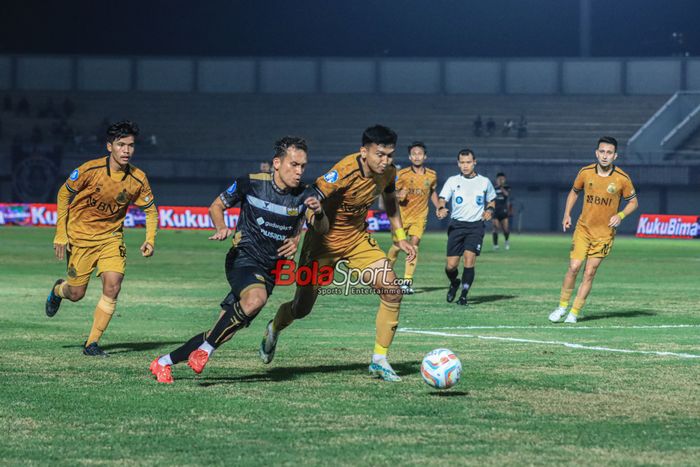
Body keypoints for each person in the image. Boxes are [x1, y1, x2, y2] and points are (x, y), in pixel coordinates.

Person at [149, 137, 327, 384]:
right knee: (256, 300)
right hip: (242, 258)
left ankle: (163, 362)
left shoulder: (306, 195)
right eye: (294, 164)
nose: (299, 171)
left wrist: (317, 214)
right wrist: (221, 227)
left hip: (270, 270)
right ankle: (206, 351)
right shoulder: (250, 183)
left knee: (223, 329)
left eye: (303, 166)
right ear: (277, 163)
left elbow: (320, 227)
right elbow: (216, 206)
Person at [260, 125, 416, 382]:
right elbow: (310, 198)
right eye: (380, 154)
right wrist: (297, 234)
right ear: (363, 152)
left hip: (356, 240)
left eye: (390, 155)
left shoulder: (388, 172)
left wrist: (399, 237)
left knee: (392, 290)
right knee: (301, 309)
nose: (385, 160)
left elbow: (390, 200)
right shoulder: (344, 170)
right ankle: (274, 327)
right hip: (322, 243)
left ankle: (379, 360)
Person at [45, 121, 158, 356]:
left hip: (111, 239)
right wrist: (61, 232)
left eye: (131, 145)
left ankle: (92, 344)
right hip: (80, 238)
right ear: (109, 147)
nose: (126, 150)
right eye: (121, 145)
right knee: (76, 294)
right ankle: (58, 290)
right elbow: (64, 193)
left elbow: (151, 210)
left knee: (113, 286)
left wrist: (150, 238)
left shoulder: (138, 179)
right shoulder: (89, 170)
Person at [549, 136, 638, 324]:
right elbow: (574, 191)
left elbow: (633, 202)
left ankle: (574, 312)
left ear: (615, 156)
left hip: (604, 234)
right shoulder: (585, 172)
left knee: (589, 272)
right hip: (583, 229)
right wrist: (567, 214)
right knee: (574, 267)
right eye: (602, 152)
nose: (605, 156)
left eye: (609, 153)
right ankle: (562, 306)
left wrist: (620, 216)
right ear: (596, 153)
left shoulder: (622, 178)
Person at [436, 149, 496, 306]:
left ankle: (464, 295)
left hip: (476, 226)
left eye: (468, 162)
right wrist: (441, 208)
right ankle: (454, 282)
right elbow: (442, 198)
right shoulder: (452, 181)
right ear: (458, 164)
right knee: (451, 266)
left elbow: (491, 200)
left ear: (474, 162)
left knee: (469, 260)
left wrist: (489, 210)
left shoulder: (484, 182)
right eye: (462, 162)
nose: (465, 165)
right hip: (457, 226)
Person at [387, 141, 438, 294]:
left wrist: (439, 207)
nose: (417, 156)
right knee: (397, 246)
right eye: (414, 154)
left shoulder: (432, 175)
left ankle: (407, 282)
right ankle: (385, 272)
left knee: (413, 246)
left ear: (425, 156)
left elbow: (433, 191)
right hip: (401, 217)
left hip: (419, 217)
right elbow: (390, 194)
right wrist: (399, 195)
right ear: (410, 157)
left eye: (419, 153)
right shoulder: (401, 174)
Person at [492, 172, 512, 250]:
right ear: (496, 180)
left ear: (504, 180)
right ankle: (495, 245)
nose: (500, 180)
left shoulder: (507, 187)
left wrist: (501, 187)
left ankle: (506, 241)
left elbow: (506, 194)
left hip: (503, 211)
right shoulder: (494, 188)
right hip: (495, 211)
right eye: (499, 179)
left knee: (505, 229)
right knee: (495, 227)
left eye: (502, 179)